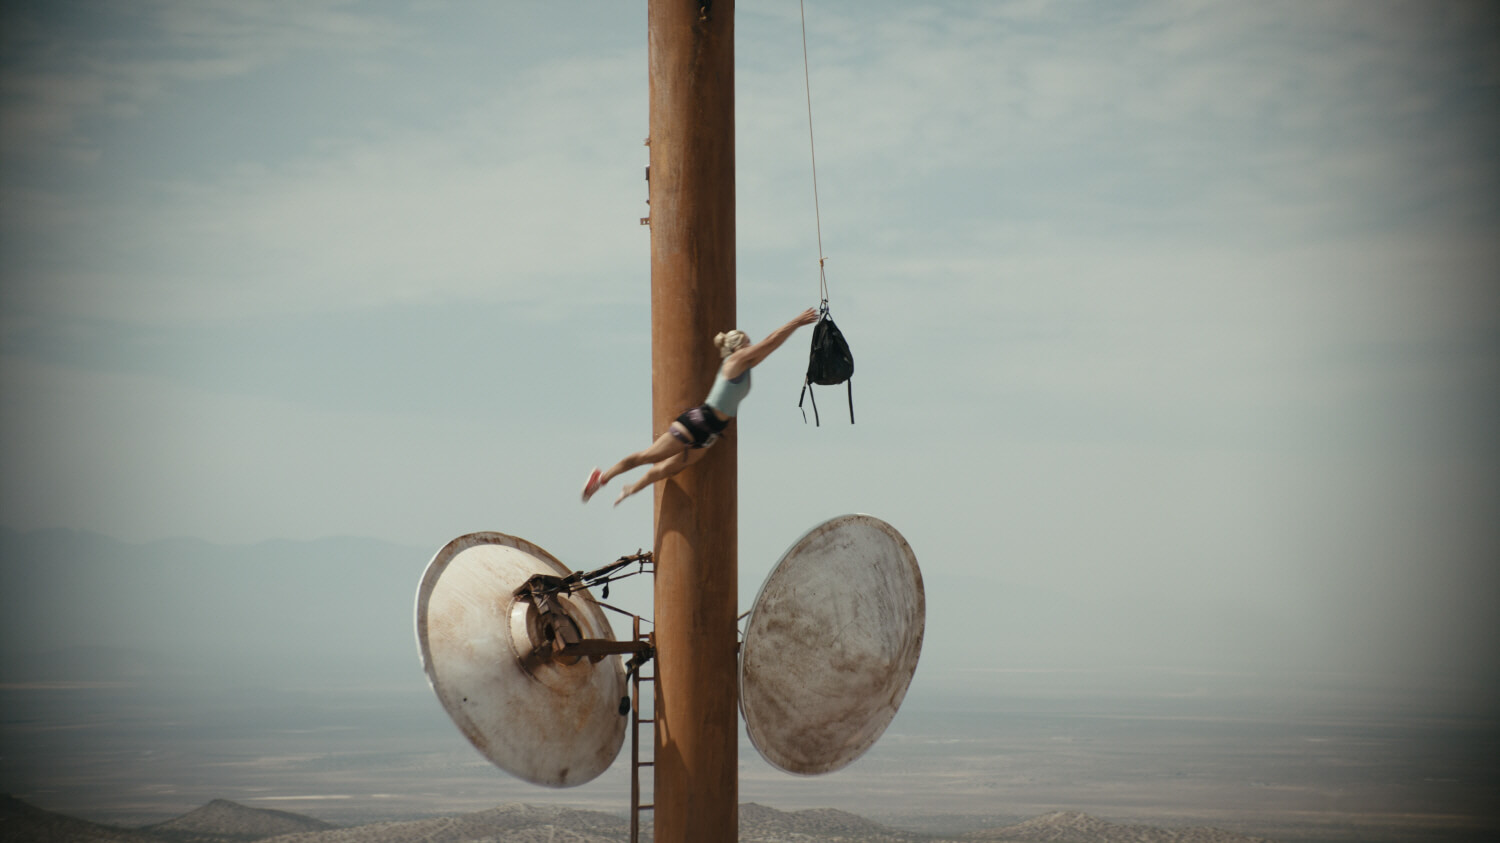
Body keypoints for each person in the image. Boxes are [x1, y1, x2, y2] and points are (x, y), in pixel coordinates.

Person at [582, 307, 821, 506]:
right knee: (648, 456)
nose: (754, 344)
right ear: (739, 346)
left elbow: (771, 346)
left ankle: (631, 489)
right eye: (749, 342)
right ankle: (602, 477)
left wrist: (795, 328)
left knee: (668, 469)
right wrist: (797, 321)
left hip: (711, 433)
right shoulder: (735, 361)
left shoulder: (747, 365)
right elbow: (770, 341)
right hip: (698, 421)